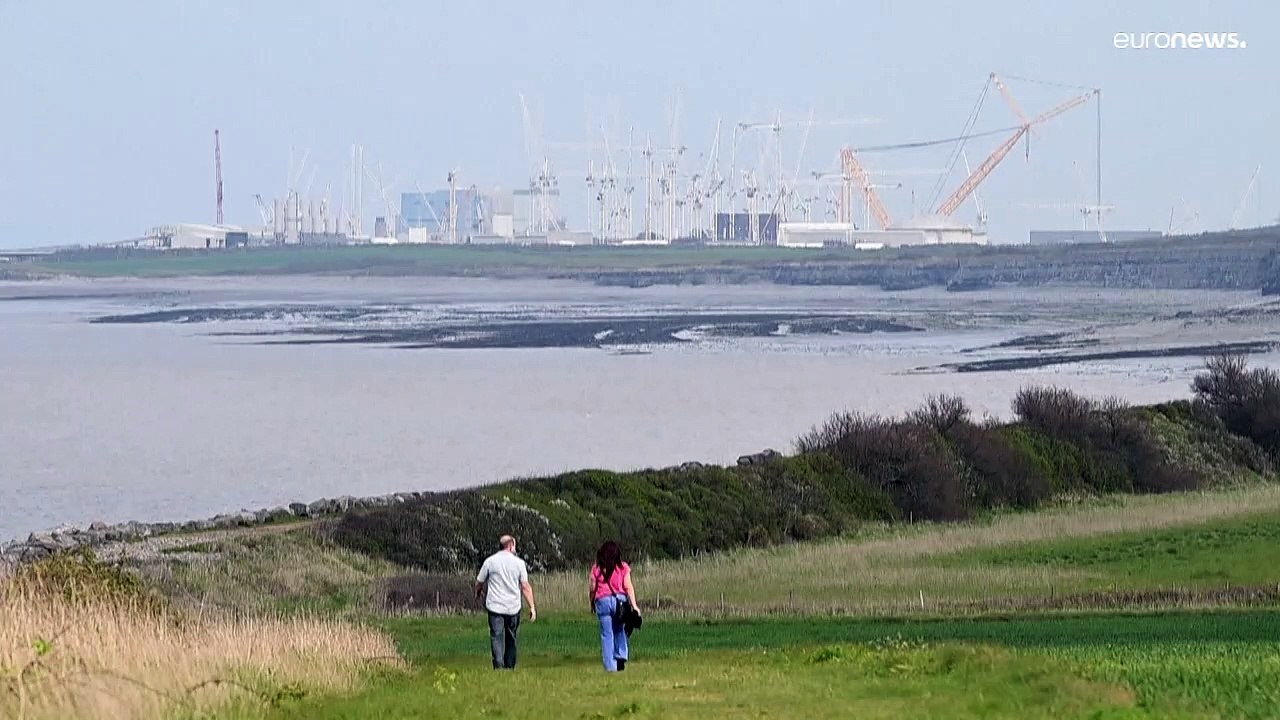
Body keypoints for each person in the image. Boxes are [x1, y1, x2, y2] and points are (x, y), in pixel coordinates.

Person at [475, 534, 536, 670]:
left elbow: (479, 582)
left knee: (496, 636)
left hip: (495, 606)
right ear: (510, 546)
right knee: (511, 637)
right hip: (513, 607)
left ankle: (498, 665)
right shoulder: (519, 563)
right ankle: (510, 666)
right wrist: (532, 606)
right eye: (514, 545)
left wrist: (478, 593)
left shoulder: (490, 561)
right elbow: (525, 586)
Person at [589, 540, 639, 672]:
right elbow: (628, 586)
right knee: (619, 629)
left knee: (607, 634)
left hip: (602, 601)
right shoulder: (623, 567)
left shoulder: (596, 568)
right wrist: (634, 605)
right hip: (619, 602)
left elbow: (592, 588)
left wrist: (592, 602)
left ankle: (610, 666)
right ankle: (621, 655)